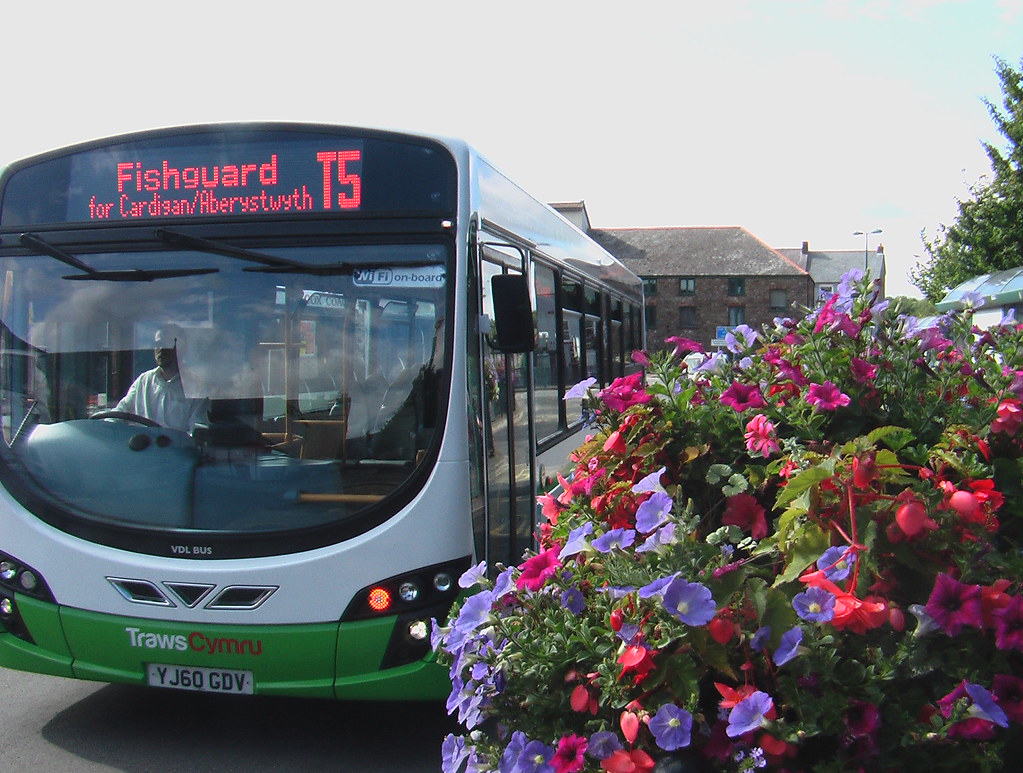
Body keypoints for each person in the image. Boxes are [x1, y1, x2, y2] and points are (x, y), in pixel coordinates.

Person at [115, 325, 208, 433]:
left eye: (167, 343)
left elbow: (197, 432)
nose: (161, 349)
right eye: (157, 344)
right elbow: (120, 413)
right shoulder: (143, 381)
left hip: (175, 448)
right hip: (141, 447)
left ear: (182, 348)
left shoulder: (197, 388)